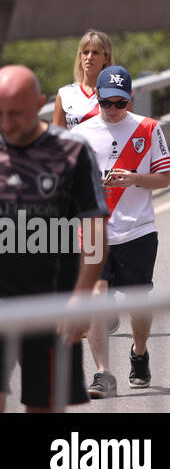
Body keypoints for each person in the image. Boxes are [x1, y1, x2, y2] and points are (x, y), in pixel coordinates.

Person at [0, 65, 108, 413]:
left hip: (52, 302)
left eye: (15, 114)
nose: (6, 123)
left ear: (40, 104)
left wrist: (81, 299)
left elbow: (94, 229)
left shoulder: (72, 150)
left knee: (44, 405)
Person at [69, 65, 170, 398]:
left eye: (120, 103)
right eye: (106, 102)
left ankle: (139, 353)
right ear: (96, 97)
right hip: (96, 231)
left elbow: (164, 178)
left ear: (130, 99)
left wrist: (134, 178)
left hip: (137, 231)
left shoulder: (148, 128)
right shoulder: (81, 134)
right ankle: (103, 373)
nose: (112, 110)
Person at [53, 30, 113, 129]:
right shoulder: (65, 94)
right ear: (80, 56)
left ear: (106, 58)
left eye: (95, 53)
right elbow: (58, 140)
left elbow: (128, 133)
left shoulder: (117, 94)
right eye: (85, 52)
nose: (89, 57)